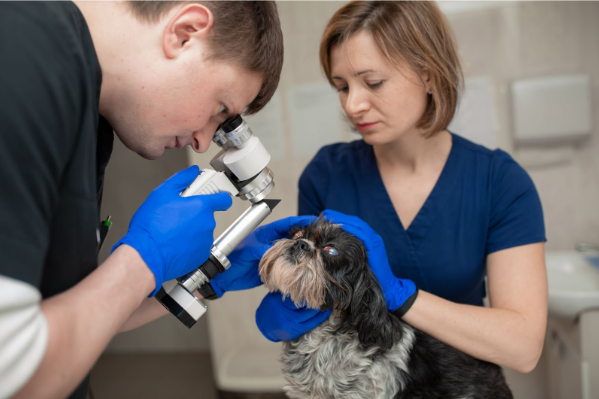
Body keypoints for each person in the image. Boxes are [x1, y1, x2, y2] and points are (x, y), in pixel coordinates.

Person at [0, 2, 306, 398]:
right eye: (219, 109)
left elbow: (64, 315)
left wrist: (205, 277)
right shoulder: (25, 55)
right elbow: (13, 368)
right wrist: (144, 260)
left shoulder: (90, 114)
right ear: (185, 32)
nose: (201, 140)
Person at [254, 1, 548, 374]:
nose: (353, 104)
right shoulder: (326, 174)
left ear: (427, 73)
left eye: (373, 82)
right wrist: (287, 306)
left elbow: (522, 348)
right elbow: (319, 310)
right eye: (342, 87)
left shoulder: (500, 182)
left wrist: (401, 297)